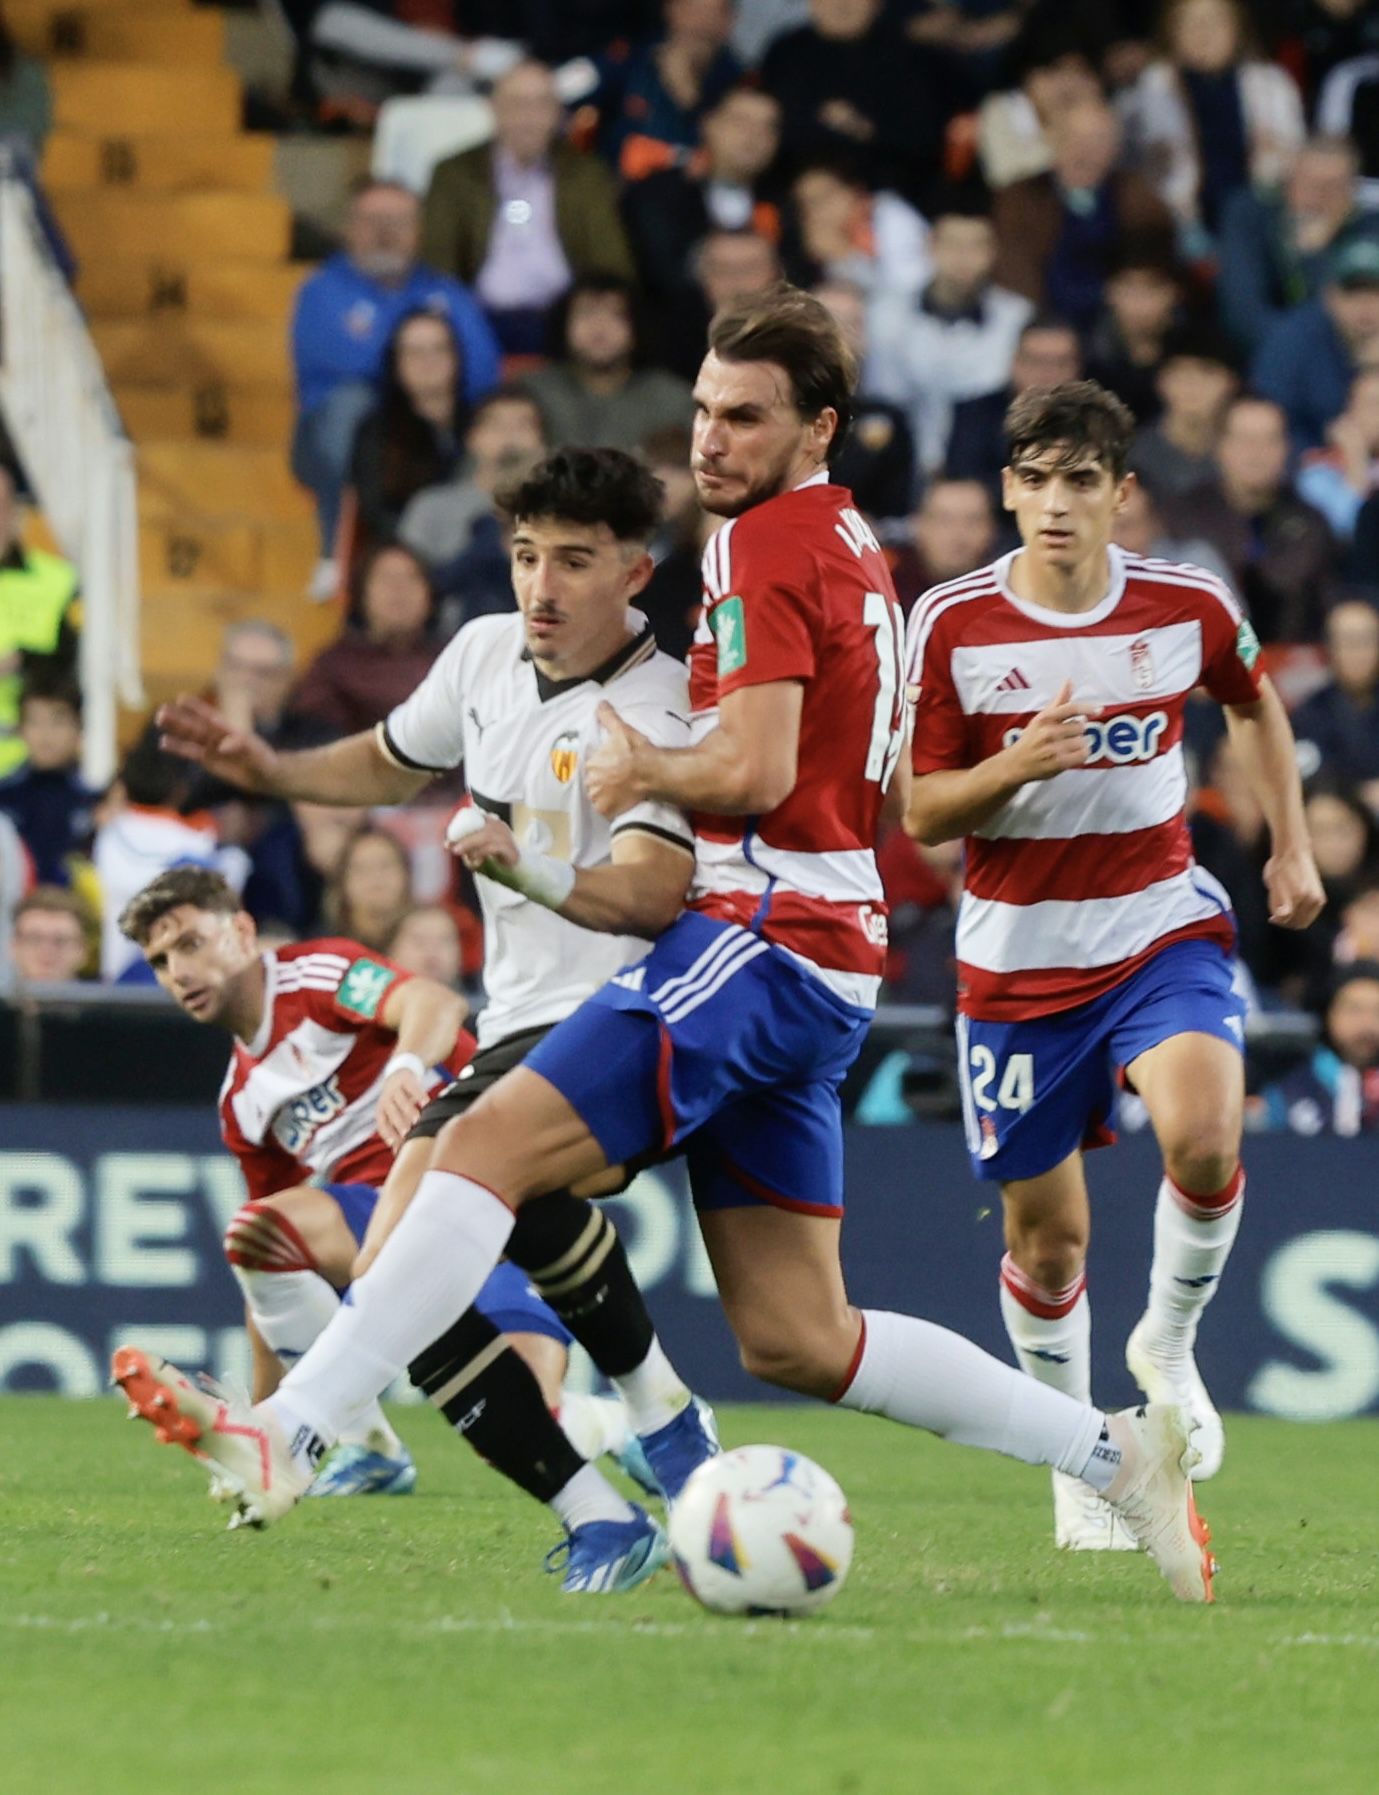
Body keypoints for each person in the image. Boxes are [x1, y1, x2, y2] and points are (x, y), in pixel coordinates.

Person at [125, 291, 1222, 1605]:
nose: (709, 437)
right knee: (797, 1334)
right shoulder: (838, 535)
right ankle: (1113, 1453)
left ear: (813, 425)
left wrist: (646, 758)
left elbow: (752, 766)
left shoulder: (761, 543)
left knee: (474, 1147)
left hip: (763, 931)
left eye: (744, 416)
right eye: (703, 409)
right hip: (829, 952)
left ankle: (288, 1429)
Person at [130, 446, 713, 1592]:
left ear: (634, 571)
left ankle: (290, 1430)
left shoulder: (657, 705)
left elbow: (651, 891)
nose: (539, 585)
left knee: (407, 1225)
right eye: (524, 555)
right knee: (410, 1280)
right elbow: (388, 762)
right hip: (518, 1020)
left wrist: (528, 868)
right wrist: (267, 765)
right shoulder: (485, 652)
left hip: (632, 1012)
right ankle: (612, 1495)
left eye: (574, 561)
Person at [904, 378, 1323, 1550]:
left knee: (1202, 1137)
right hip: (1013, 969)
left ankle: (1167, 1350)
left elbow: (1253, 703)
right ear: (1003, 490)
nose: (1052, 503)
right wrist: (1013, 766)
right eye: (1032, 479)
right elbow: (921, 808)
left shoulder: (1183, 603)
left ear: (1118, 494)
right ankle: (1073, 1456)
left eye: (1077, 480)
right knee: (1048, 1244)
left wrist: (1287, 841)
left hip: (1156, 929)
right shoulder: (949, 624)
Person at [113, 864, 650, 1535]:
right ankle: (362, 1446)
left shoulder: (314, 976)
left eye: (190, 943)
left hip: (483, 1184)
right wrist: (261, 1415)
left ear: (243, 929)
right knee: (255, 1232)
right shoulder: (240, 1102)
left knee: (537, 1410)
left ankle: (624, 1424)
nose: (177, 971)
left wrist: (404, 1065)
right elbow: (271, 1263)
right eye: (160, 961)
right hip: (380, 1218)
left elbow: (432, 1002)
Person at [290, 179, 502, 569]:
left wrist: (427, 382)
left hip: (435, 428)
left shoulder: (448, 291)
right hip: (340, 441)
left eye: (399, 221)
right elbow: (345, 364)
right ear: (349, 227)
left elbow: (482, 366)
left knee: (498, 414)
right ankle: (337, 550)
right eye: (372, 220)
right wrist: (428, 361)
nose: (385, 232)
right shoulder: (321, 290)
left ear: (419, 230)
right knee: (354, 406)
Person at [421, 58, 634, 355]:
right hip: (478, 317)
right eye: (516, 104)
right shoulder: (454, 173)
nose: (528, 117)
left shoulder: (586, 173)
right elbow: (437, 262)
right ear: (493, 109)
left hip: (562, 319)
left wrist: (590, 311)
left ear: (559, 114)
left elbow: (610, 262)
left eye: (541, 105)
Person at [1116, 0, 1304, 251]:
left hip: (1259, 217)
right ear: (1170, 32)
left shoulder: (1271, 83)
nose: (1203, 33)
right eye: (1189, 22)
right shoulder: (1151, 87)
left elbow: (1295, 156)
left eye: (1215, 21)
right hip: (1176, 223)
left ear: (1238, 28)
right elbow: (1131, 162)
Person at [866, 203, 1034, 476]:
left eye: (976, 246)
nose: (963, 257)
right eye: (952, 244)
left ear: (993, 252)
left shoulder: (1017, 319)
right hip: (896, 466)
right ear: (929, 246)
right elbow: (883, 399)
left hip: (987, 468)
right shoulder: (884, 315)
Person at [1161, 394, 1338, 643]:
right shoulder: (1184, 516)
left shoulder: (1311, 522)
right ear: (1220, 446)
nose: (1258, 452)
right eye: (1246, 440)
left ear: (1286, 448)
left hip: (1293, 663)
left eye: (1270, 440)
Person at [991, 100, 1175, 333]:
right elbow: (1015, 278)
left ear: (1116, 148)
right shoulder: (1019, 199)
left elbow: (1155, 269)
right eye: (1073, 137)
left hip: (1122, 330)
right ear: (1052, 140)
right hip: (1045, 324)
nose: (1085, 150)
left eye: (1098, 139)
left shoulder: (1139, 196)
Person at [758, 0, 946, 197]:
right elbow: (772, 125)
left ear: (877, 5)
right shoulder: (785, 52)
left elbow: (924, 139)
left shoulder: (910, 57)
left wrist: (864, 129)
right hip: (794, 190)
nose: (842, 4)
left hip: (887, 192)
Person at [1217, 134, 1379, 357]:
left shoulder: (1369, 228)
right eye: (1308, 183)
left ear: (1352, 191)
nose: (1318, 196)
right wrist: (1301, 351)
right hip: (1271, 354)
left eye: (1332, 187)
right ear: (1288, 180)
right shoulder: (1249, 215)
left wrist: (1315, 254)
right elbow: (1244, 314)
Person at [621, 84, 785, 303]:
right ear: (708, 124)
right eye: (741, 122)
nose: (755, 136)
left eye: (768, 127)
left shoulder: (786, 201)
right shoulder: (659, 193)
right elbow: (658, 274)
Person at [520, 275, 694, 455]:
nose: (599, 327)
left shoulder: (672, 399)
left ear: (637, 326)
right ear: (563, 324)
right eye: (586, 313)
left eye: (616, 315)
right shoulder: (532, 393)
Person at [293, 543, 442, 737]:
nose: (399, 589)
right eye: (386, 579)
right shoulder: (335, 665)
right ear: (362, 594)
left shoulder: (454, 658)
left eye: (412, 578)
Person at [348, 311, 468, 549]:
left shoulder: (483, 421)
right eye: (414, 352)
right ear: (395, 361)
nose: (428, 361)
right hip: (408, 553)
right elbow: (376, 512)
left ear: (456, 356)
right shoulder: (377, 430)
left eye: (439, 349)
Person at [1251, 236, 1379, 452]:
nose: (1365, 305)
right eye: (1353, 291)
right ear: (1329, 297)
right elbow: (1272, 421)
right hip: (1311, 470)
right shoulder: (1292, 340)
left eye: (1376, 292)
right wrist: (1325, 461)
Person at [594, 0, 743, 181]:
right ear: (670, 9)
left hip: (694, 195)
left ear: (730, 20)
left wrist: (689, 96)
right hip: (611, 185)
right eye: (693, 9)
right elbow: (565, 90)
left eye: (715, 12)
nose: (702, 22)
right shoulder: (630, 58)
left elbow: (738, 155)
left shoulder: (740, 83)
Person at [942, 314, 1080, 501]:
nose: (1049, 373)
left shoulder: (1098, 422)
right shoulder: (974, 417)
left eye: (1061, 363)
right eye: (1037, 361)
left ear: (1077, 369)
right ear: (1015, 363)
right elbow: (967, 487)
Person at [812, 278, 916, 525]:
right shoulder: (773, 409)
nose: (841, 337)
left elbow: (898, 513)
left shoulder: (889, 419)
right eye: (830, 323)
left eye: (853, 325)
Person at [0, 463, 79, 779]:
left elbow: (72, 657)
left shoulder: (57, 580)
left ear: (16, 512)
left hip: (31, 762)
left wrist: (21, 660)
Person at [1259, 962, 1379, 1136]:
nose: (1367, 1024)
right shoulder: (1289, 1089)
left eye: (1377, 1011)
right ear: (1329, 1013)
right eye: (1355, 1010)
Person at [0, 675, 97, 885]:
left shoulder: (95, 805)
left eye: (58, 722)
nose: (45, 735)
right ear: (20, 730)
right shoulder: (4, 798)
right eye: (34, 722)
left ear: (79, 728)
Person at [1128, 322, 1240, 501]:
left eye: (1206, 373)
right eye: (1179, 373)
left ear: (1231, 383)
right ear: (1160, 382)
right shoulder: (1133, 458)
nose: (1191, 385)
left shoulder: (1249, 455)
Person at [1291, 599, 1379, 807]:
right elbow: (1308, 776)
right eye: (1348, 641)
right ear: (1329, 648)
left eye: (1366, 640)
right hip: (1337, 818)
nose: (1358, 652)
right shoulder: (1309, 714)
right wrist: (1360, 796)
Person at [1084, 251, 1185, 426]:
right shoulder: (1086, 358)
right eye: (1129, 289)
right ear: (1109, 292)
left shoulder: (1198, 352)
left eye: (1152, 289)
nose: (1140, 302)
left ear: (1174, 293)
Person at [1297, 364, 1379, 543]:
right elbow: (1342, 535)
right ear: (1350, 411)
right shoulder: (1318, 474)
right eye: (1373, 404)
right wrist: (1357, 462)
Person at [887, 478, 997, 610]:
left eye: (972, 521)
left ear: (991, 529)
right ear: (919, 525)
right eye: (944, 521)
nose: (958, 535)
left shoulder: (1012, 594)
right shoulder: (886, 586)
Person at [9, 885, 89, 985]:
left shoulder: (110, 999)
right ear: (14, 947)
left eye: (60, 941)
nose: (47, 951)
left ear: (82, 950)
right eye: (35, 939)